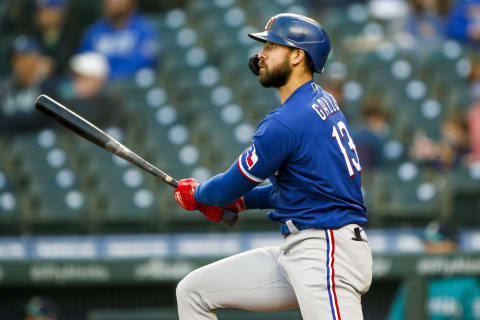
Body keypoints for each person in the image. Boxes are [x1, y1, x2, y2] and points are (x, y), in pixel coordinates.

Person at [173, 13, 372, 320]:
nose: (260, 55)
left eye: (272, 46)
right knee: (193, 292)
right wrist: (240, 203)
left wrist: (199, 193)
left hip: (327, 250)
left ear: (297, 55)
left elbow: (229, 184)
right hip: (301, 248)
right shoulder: (319, 102)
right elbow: (299, 188)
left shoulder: (288, 121)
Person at [387, 221, 480, 320]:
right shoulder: (413, 282)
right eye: (427, 243)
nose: (429, 248)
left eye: (435, 242)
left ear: (451, 245)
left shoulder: (467, 283)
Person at [77, 0, 159, 81]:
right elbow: (84, 63)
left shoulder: (144, 29)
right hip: (100, 89)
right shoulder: (95, 32)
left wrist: (107, 76)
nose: (113, 1)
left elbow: (143, 62)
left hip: (134, 86)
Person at [0, 35, 54, 133]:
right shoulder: (6, 85)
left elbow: (42, 119)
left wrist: (12, 119)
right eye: (17, 58)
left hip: (42, 139)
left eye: (26, 57)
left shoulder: (47, 84)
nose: (21, 63)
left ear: (37, 58)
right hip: (11, 141)